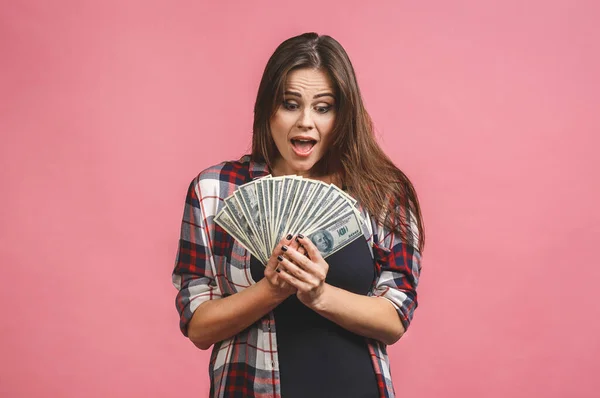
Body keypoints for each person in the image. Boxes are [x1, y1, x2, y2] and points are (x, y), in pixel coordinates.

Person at [172, 32, 425, 398]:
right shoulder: (214, 191)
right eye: (290, 104)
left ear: (343, 113)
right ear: (266, 109)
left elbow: (395, 318)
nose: (306, 121)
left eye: (323, 107)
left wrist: (318, 294)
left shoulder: (383, 193)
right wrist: (271, 290)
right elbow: (198, 326)